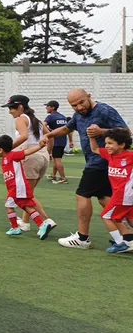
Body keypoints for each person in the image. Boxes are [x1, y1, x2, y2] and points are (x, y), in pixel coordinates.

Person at [42, 88, 129, 249]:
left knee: (82, 194)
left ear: (89, 97)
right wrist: (49, 135)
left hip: (100, 161)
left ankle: (82, 238)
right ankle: (127, 237)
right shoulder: (77, 116)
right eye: (74, 105)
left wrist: (101, 131)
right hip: (98, 162)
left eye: (81, 102)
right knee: (105, 198)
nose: (79, 107)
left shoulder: (104, 110)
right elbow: (67, 128)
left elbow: (126, 132)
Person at [1, 95, 51, 232]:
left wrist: (7, 150)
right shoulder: (37, 120)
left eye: (11, 108)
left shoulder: (20, 119)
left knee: (26, 195)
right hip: (43, 157)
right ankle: (25, 222)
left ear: (20, 107)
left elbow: (24, 136)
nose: (10, 111)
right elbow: (49, 135)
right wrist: (48, 152)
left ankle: (46, 221)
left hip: (30, 157)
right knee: (28, 193)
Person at [0, 135, 57, 239]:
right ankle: (40, 225)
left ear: (0, 150)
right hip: (15, 188)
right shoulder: (4, 159)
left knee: (10, 206)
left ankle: (17, 228)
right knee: (25, 207)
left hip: (17, 187)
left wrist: (39, 147)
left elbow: (26, 152)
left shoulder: (13, 156)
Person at [88, 128, 133, 253]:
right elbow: (95, 149)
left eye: (110, 143)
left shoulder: (130, 156)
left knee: (106, 216)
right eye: (106, 143)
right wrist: (92, 137)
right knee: (127, 218)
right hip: (121, 195)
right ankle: (128, 239)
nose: (107, 146)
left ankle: (121, 243)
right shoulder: (110, 155)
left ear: (122, 145)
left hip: (124, 195)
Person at [43, 100, 73, 184]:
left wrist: (49, 132)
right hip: (63, 141)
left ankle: (63, 178)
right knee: (56, 158)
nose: (46, 108)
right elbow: (68, 129)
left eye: (47, 106)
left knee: (57, 160)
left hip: (55, 141)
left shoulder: (50, 117)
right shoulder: (63, 117)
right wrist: (71, 141)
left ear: (52, 107)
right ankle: (53, 175)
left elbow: (43, 125)